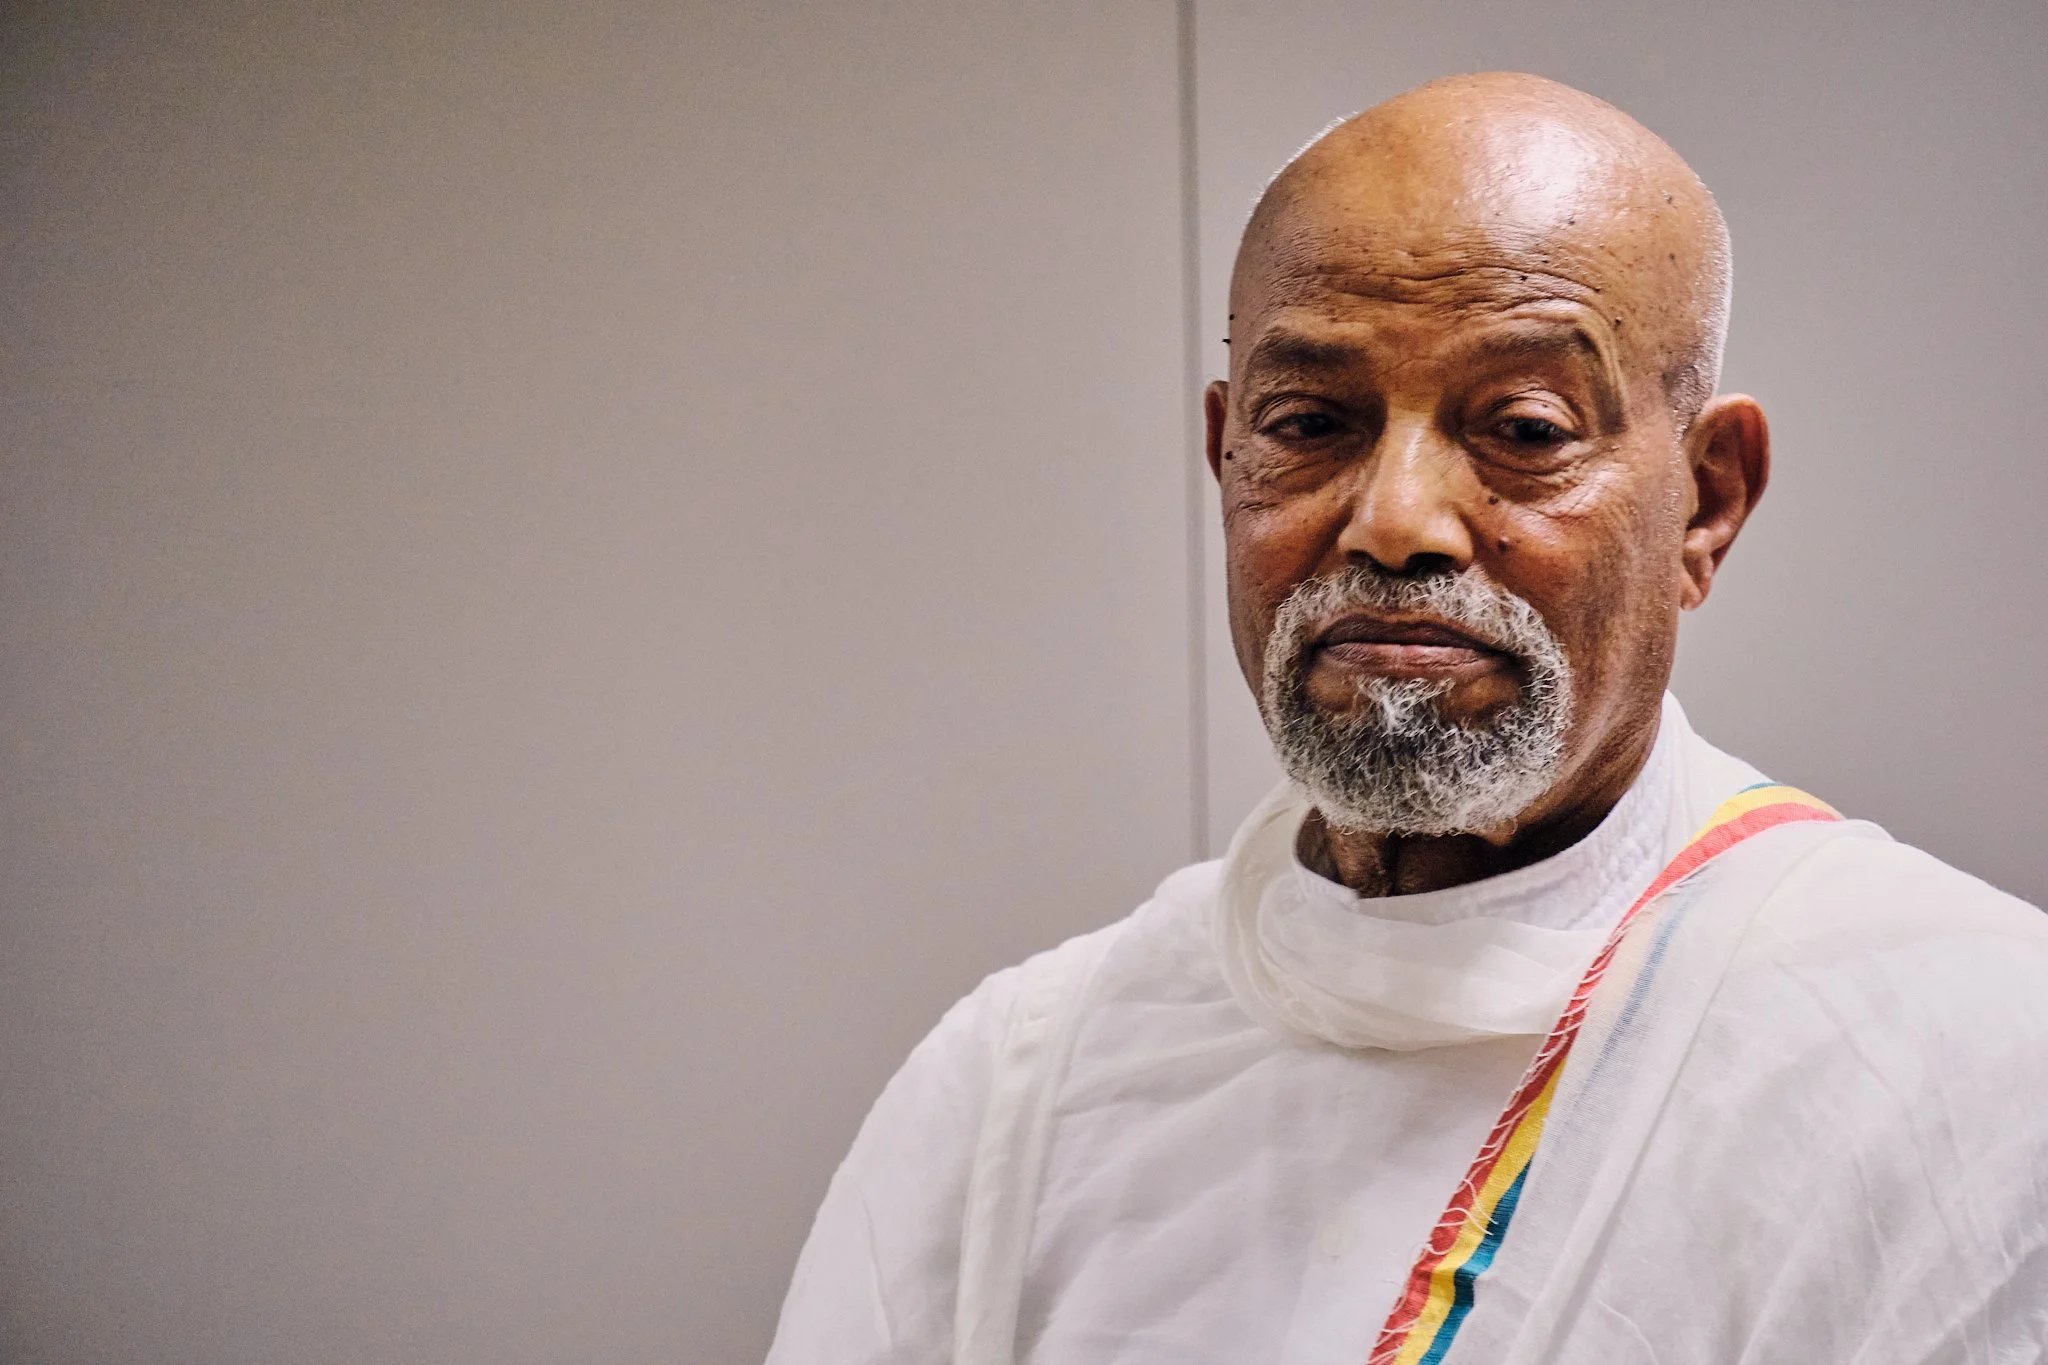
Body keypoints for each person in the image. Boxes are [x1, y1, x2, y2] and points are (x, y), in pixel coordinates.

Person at [763, 73, 2048, 1364]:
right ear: (1226, 460)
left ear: (1707, 504)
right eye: (1311, 424)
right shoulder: (1016, 1090)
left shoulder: (1964, 1057)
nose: (1394, 521)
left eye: (1524, 427)